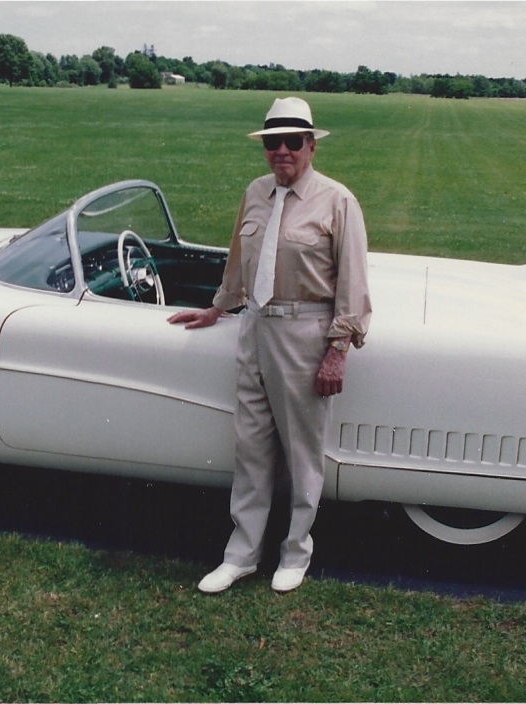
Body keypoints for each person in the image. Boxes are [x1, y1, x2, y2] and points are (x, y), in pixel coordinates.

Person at [167, 96, 372, 594]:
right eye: (272, 142)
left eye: (292, 142)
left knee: (302, 450)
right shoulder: (256, 192)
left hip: (304, 332)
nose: (282, 151)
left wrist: (338, 348)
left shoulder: (337, 200)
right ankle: (241, 554)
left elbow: (353, 280)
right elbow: (241, 258)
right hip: (254, 327)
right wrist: (219, 307)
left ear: (310, 146)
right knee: (251, 446)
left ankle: (296, 552)